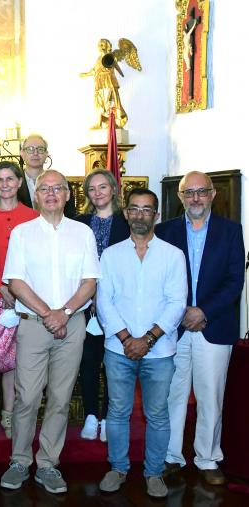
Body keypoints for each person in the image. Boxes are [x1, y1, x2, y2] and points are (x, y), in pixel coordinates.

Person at [0, 170, 100, 494]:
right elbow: (15, 281)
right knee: (27, 396)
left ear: (69, 195)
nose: (52, 194)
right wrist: (48, 313)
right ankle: (19, 460)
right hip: (34, 326)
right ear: (37, 195)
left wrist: (65, 312)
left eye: (58, 188)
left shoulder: (83, 233)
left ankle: (47, 464)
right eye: (45, 189)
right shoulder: (22, 233)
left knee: (59, 397)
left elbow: (89, 281)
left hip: (72, 326)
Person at [96, 188, 187, 498]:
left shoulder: (173, 255)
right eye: (133, 209)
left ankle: (154, 472)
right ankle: (118, 468)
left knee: (158, 414)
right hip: (118, 349)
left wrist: (148, 339)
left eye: (146, 210)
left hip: (159, 350)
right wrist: (126, 338)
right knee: (118, 412)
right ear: (126, 214)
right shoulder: (111, 255)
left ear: (156, 215)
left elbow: (177, 303)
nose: (139, 215)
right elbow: (104, 301)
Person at [156, 171, 245, 486]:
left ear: (213, 195)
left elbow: (235, 280)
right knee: (173, 395)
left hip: (214, 325)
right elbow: (158, 281)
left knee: (210, 397)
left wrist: (203, 311)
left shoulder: (231, 231)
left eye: (201, 192)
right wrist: (182, 313)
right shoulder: (163, 232)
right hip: (175, 328)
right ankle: (170, 457)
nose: (195, 198)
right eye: (189, 192)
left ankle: (208, 459)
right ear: (180, 196)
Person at [0, 161, 38, 440]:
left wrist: (18, 290)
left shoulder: (33, 216)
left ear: (19, 182)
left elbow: (36, 260)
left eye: (10, 178)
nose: (5, 184)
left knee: (14, 359)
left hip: (24, 299)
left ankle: (8, 415)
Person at [74, 169, 130, 442]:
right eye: (92, 189)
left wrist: (104, 295)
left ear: (113, 190)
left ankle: (108, 417)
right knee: (88, 360)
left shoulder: (127, 222)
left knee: (113, 363)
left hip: (119, 303)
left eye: (102, 187)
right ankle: (91, 415)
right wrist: (90, 295)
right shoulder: (79, 222)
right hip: (84, 304)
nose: (97, 193)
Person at [18, 135, 76, 218]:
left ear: (46, 154)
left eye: (40, 149)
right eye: (30, 149)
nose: (35, 153)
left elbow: (70, 216)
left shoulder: (61, 183)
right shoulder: (13, 185)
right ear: (22, 154)